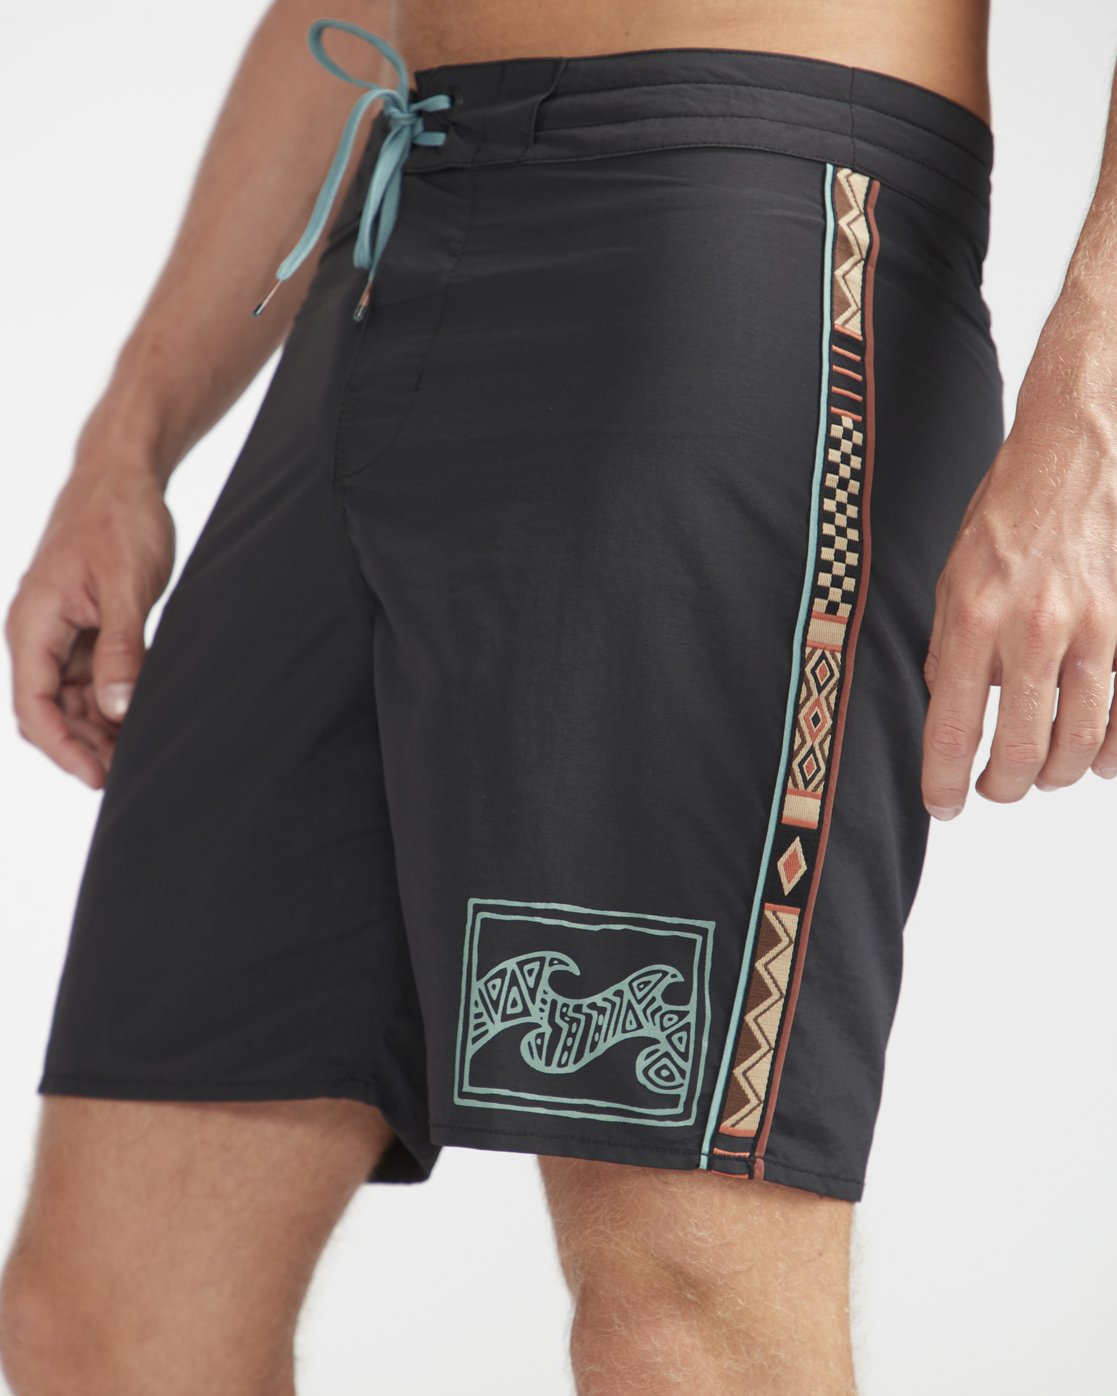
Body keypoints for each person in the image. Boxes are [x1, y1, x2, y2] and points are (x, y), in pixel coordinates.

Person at [2, 0, 1115, 1390]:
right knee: (105, 1320)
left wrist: (1094, 424)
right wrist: (126, 440)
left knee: (678, 1307)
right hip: (390, 229)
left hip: (730, 226)